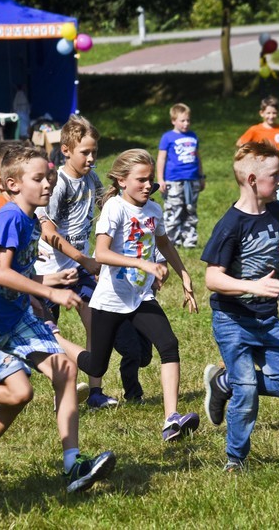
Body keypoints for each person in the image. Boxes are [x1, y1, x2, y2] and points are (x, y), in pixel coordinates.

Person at [0, 145, 116, 493]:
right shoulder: (9, 217)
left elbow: (20, 273)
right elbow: (0, 274)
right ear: (11, 183)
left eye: (49, 177)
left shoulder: (29, 220)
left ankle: (73, 465)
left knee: (63, 371)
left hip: (15, 317)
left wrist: (49, 280)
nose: (48, 185)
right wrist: (51, 294)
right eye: (38, 178)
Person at [74, 149, 201, 442]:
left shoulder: (153, 211)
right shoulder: (115, 209)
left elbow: (165, 244)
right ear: (121, 181)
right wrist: (142, 263)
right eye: (141, 180)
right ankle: (52, 339)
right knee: (96, 365)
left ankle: (171, 419)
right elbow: (102, 253)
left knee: (169, 345)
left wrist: (184, 275)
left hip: (140, 297)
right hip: (111, 299)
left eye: (150, 181)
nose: (147, 186)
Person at [200, 141, 279, 471]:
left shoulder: (277, 212)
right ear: (251, 180)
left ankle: (223, 383)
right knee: (246, 391)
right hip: (233, 319)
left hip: (267, 319)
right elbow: (212, 278)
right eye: (275, 175)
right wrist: (252, 286)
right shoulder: (230, 224)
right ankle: (235, 460)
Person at [35, 115, 118, 408]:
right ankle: (62, 389)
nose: (92, 158)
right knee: (47, 336)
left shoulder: (91, 178)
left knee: (94, 321)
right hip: (50, 272)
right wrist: (85, 259)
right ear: (67, 150)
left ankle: (95, 392)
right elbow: (48, 232)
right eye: (86, 152)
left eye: (95, 151)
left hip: (80, 268)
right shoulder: (58, 185)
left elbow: (103, 205)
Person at [236, 96, 279, 319]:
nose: (272, 116)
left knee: (277, 209)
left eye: (275, 112)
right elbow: (240, 145)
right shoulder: (254, 129)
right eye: (268, 113)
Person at [156, 103, 205, 248]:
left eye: (188, 120)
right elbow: (161, 159)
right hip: (174, 180)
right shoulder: (167, 137)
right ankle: (171, 242)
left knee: (190, 210)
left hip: (192, 179)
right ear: (173, 121)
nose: (186, 123)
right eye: (182, 120)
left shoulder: (193, 136)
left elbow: (198, 157)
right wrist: (160, 179)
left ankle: (189, 241)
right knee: (173, 209)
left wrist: (201, 177)